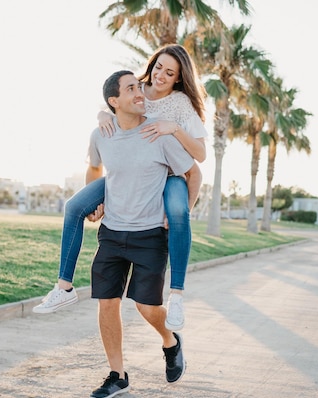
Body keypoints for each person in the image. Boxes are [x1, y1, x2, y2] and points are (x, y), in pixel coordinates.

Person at [33, 44, 208, 332]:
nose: (160, 76)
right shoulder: (137, 90)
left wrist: (173, 128)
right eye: (158, 68)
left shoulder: (180, 105)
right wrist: (102, 116)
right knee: (74, 207)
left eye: (170, 72)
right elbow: (114, 106)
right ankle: (64, 287)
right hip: (129, 174)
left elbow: (198, 159)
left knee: (178, 213)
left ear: (178, 78)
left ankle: (176, 296)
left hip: (166, 175)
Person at [87, 70, 200, 398]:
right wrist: (94, 201)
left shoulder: (159, 135)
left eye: (140, 86)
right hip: (112, 233)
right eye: (132, 89)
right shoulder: (101, 134)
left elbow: (193, 171)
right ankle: (117, 375)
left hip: (150, 234)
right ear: (113, 101)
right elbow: (94, 168)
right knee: (107, 303)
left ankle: (170, 340)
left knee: (147, 306)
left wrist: (181, 214)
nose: (141, 93)